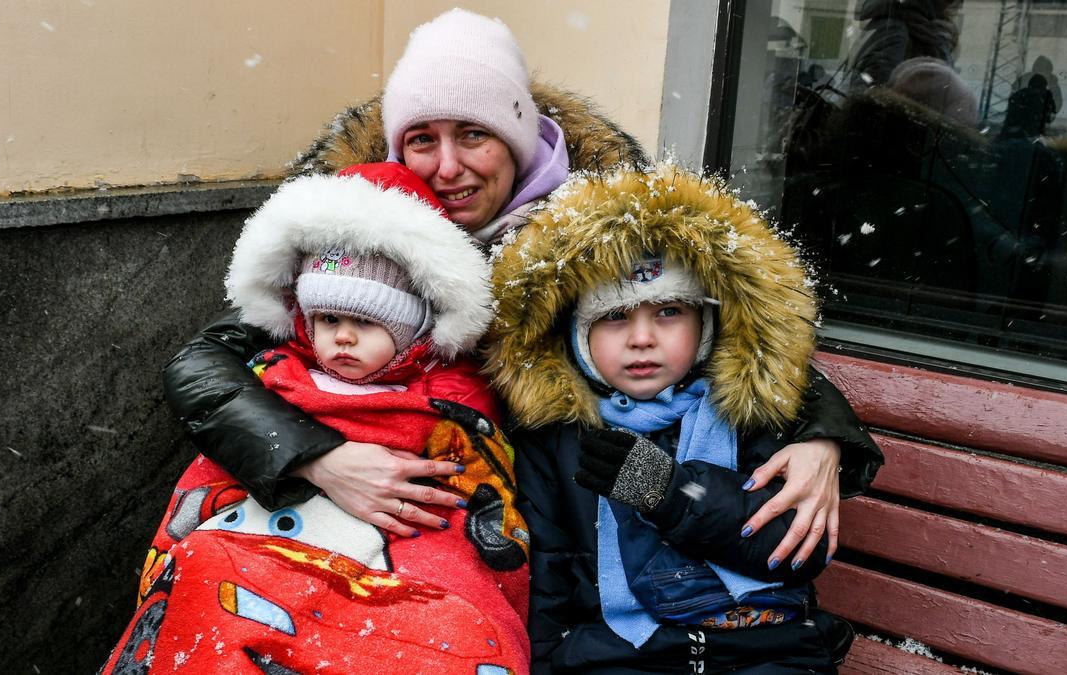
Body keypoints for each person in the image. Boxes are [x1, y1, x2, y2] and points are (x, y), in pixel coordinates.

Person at [163, 7, 878, 588]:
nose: (447, 167)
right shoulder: (360, 228)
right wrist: (314, 456)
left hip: (525, 524)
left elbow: (724, 330)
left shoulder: (595, 228)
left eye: (473, 134)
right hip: (366, 498)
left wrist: (819, 433)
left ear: (516, 136)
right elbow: (207, 361)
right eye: (422, 139)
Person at [103, 163, 529, 673]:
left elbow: (465, 497)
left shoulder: (447, 400)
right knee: (207, 576)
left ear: (415, 327)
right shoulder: (278, 375)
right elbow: (217, 472)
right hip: (264, 541)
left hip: (390, 554)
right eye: (328, 320)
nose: (342, 337)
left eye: (366, 322)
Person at [486, 165, 860, 673]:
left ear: (705, 325)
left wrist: (671, 492)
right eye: (615, 317)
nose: (642, 338)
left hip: (763, 645)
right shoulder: (557, 438)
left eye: (668, 312)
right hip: (622, 650)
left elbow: (793, 550)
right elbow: (546, 573)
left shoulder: (748, 412)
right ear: (578, 338)